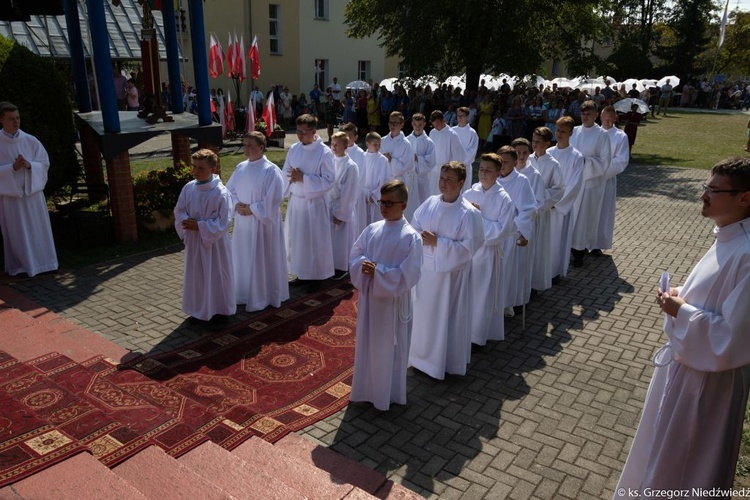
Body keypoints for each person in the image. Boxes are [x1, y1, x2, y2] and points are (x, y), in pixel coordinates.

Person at [614, 157, 750, 497]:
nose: (703, 195)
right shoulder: (727, 236)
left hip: (708, 382)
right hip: (687, 369)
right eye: (705, 187)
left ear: (744, 197)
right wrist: (681, 297)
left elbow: (732, 338)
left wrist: (681, 310)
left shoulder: (747, 253)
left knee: (687, 467)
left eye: (713, 190)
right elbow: (712, 298)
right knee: (663, 457)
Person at [349, 180, 423, 411]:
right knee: (368, 345)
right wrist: (363, 265)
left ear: (404, 205)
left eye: (389, 203)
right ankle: (365, 390)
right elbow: (355, 253)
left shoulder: (411, 237)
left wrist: (379, 272)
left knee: (390, 349)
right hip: (371, 299)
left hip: (393, 303)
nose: (383, 207)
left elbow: (409, 275)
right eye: (382, 202)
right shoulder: (373, 229)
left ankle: (387, 396)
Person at [409, 161, 484, 379]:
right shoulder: (431, 202)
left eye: (449, 180)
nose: (443, 183)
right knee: (424, 316)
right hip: (427, 271)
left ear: (461, 182)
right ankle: (420, 358)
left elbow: (471, 247)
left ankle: (443, 363)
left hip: (450, 276)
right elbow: (414, 226)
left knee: (446, 318)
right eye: (442, 178)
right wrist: (421, 238)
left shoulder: (469, 213)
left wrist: (438, 243)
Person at [226, 132, 288, 312]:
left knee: (261, 258)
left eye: (250, 145)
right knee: (243, 257)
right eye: (244, 144)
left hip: (262, 224)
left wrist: (252, 208)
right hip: (243, 223)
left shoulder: (271, 170)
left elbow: (274, 199)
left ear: (261, 147)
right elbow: (229, 191)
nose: (246, 149)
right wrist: (237, 204)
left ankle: (264, 295)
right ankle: (243, 292)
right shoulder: (241, 167)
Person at [174, 149, 236, 323]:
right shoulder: (189, 188)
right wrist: (186, 221)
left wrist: (200, 226)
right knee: (198, 278)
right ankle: (198, 310)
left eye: (200, 168)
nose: (195, 171)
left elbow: (224, 222)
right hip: (195, 242)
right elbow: (179, 210)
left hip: (214, 245)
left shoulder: (221, 193)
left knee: (216, 276)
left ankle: (220, 313)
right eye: (194, 167)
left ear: (213, 169)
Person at [0, 101, 58, 277]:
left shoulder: (31, 140)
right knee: (17, 234)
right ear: (1, 119)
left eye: (17, 118)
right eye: (11, 119)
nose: (16, 122)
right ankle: (22, 266)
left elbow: (44, 163)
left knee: (37, 230)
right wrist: (12, 168)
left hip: (32, 196)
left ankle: (44, 263)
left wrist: (30, 165)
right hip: (11, 199)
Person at [463, 153, 515, 345]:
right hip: (468, 252)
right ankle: (463, 331)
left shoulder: (504, 199)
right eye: (481, 169)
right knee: (467, 294)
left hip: (487, 254)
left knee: (482, 296)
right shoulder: (470, 193)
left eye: (488, 170)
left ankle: (477, 336)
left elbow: (501, 232)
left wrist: (477, 217)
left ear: (499, 172)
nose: (483, 173)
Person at [282, 114, 336, 287]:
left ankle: (318, 276)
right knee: (298, 240)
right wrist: (287, 183)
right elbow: (285, 172)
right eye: (298, 131)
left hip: (314, 203)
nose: (300, 135)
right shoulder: (294, 149)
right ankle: (301, 273)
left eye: (304, 132)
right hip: (296, 201)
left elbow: (329, 180)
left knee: (315, 240)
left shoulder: (324, 152)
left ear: (314, 131)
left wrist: (304, 178)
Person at [496, 146, 537, 316]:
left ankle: (506, 304)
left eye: (506, 161)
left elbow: (528, 209)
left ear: (514, 162)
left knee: (508, 273)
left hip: (510, 235)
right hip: (492, 235)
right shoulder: (492, 178)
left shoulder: (521, 181)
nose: (502, 165)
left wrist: (523, 232)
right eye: (500, 161)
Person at [569, 100, 611, 267]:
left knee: (584, 220)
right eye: (583, 114)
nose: (585, 117)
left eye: (589, 114)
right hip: (573, 182)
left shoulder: (602, 135)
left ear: (596, 115)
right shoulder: (575, 132)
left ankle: (579, 252)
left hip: (590, 185)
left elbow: (605, 161)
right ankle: (568, 249)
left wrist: (585, 162)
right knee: (570, 218)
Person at [547, 116, 584, 281]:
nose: (559, 134)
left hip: (561, 208)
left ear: (571, 133)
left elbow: (574, 184)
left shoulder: (576, 157)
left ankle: (555, 272)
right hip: (545, 207)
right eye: (558, 130)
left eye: (563, 131)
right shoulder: (548, 153)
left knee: (558, 242)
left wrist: (557, 204)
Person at [529, 127, 564, 292]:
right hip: (525, 212)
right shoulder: (527, 160)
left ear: (547, 144)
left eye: (538, 142)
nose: (534, 145)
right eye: (533, 141)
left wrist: (541, 199)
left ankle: (535, 283)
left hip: (541, 213)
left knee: (539, 248)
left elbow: (559, 189)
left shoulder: (553, 164)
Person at [512, 138, 545, 301]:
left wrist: (523, 217)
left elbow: (539, 201)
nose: (521, 156)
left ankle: (521, 297)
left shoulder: (534, 175)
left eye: (525, 152)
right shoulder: (505, 172)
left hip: (524, 224)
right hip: (508, 225)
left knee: (522, 263)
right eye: (517, 152)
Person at [593, 106, 630, 254]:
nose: (607, 121)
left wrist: (600, 171)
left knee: (603, 211)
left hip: (606, 179)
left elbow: (621, 160)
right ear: (600, 117)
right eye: (604, 117)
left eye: (610, 118)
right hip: (589, 179)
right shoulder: (594, 132)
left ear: (615, 118)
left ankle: (597, 243)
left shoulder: (620, 136)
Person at [328, 132, 360, 279]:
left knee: (341, 240)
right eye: (332, 143)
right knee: (330, 240)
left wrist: (340, 213)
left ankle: (341, 268)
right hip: (329, 205)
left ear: (345, 146)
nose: (333, 147)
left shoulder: (350, 166)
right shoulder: (330, 160)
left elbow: (349, 193)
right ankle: (329, 265)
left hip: (342, 207)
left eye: (337, 144)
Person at [381, 112, 419, 220]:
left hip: (398, 183)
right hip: (384, 181)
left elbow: (407, 166)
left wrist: (391, 160)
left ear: (402, 124)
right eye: (390, 123)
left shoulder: (406, 144)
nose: (392, 126)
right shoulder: (383, 141)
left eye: (395, 123)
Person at [429, 110, 464, 197]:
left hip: (446, 171)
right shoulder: (432, 133)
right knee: (432, 193)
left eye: (438, 124)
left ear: (443, 120)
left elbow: (457, 156)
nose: (436, 127)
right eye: (434, 125)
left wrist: (452, 171)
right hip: (433, 171)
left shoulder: (452, 135)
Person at [341, 123, 367, 236]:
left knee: (354, 228)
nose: (347, 139)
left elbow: (361, 178)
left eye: (350, 136)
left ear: (356, 137)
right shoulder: (339, 151)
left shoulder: (360, 153)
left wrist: (351, 198)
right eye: (345, 136)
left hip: (354, 197)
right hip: (340, 195)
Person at [406, 113, 437, 206]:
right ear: (412, 124)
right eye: (415, 124)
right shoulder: (407, 140)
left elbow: (431, 162)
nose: (417, 127)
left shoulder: (429, 142)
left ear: (424, 124)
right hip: (409, 178)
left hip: (422, 179)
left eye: (420, 125)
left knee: (423, 202)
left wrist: (418, 159)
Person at [361, 132, 391, 225]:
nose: (378, 147)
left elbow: (384, 179)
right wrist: (362, 194)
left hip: (376, 197)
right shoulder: (362, 157)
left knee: (376, 222)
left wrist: (374, 196)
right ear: (367, 144)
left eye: (379, 145)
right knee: (363, 222)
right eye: (375, 145)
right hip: (363, 195)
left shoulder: (383, 160)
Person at [452, 107, 479, 192]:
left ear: (467, 117)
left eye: (462, 116)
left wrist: (460, 161)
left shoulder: (472, 133)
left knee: (463, 191)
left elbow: (472, 152)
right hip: (452, 166)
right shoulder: (452, 131)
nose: (459, 118)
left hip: (465, 166)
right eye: (458, 116)